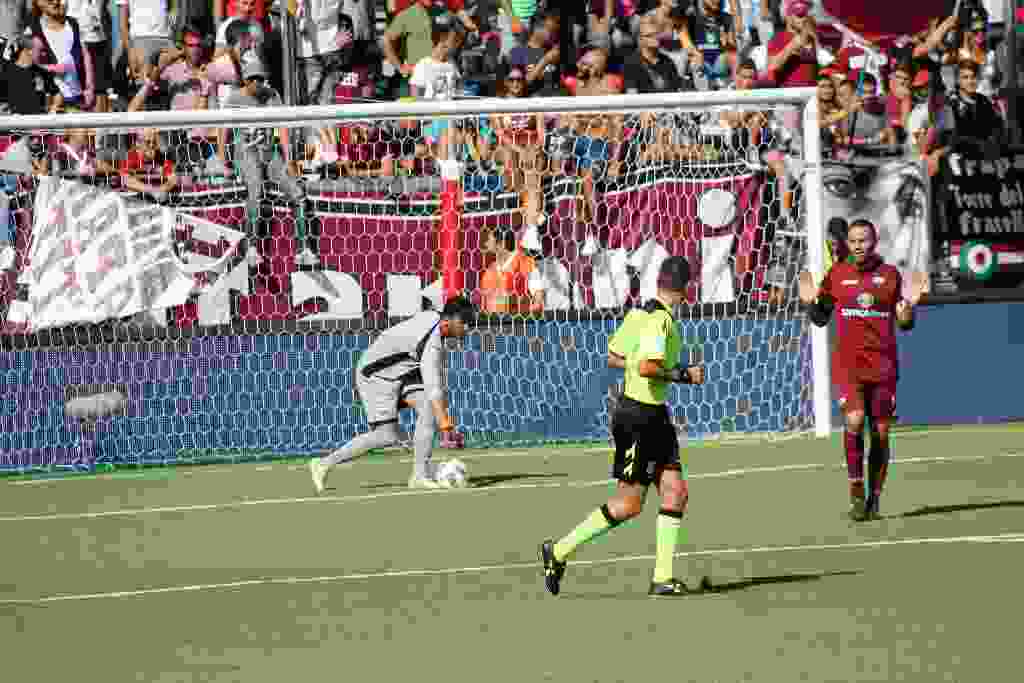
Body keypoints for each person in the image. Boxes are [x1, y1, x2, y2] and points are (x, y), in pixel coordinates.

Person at [540, 256, 706, 597]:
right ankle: (558, 551)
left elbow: (613, 357)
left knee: (675, 492)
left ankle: (662, 578)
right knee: (629, 503)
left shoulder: (639, 313)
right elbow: (647, 367)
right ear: (686, 289)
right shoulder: (660, 320)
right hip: (638, 418)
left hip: (654, 416)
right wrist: (683, 374)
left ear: (658, 281)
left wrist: (643, 364)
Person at [798, 220, 928, 522]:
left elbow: (905, 324)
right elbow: (820, 318)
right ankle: (856, 489)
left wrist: (907, 314)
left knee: (881, 432)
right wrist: (809, 302)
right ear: (848, 243)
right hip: (849, 366)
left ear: (874, 241)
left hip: (883, 366)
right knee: (855, 420)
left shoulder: (890, 275)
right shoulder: (837, 274)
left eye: (863, 240)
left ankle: (874, 498)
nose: (858, 245)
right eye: (853, 240)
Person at [310, 297, 476, 492]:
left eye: (470, 322)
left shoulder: (434, 319)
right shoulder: (431, 344)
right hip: (375, 376)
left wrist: (442, 422)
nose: (467, 327)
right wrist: (446, 426)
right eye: (464, 321)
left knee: (429, 409)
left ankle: (419, 476)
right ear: (447, 321)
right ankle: (323, 464)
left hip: (401, 372)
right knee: (386, 435)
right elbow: (434, 388)